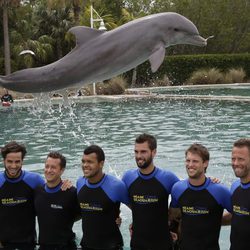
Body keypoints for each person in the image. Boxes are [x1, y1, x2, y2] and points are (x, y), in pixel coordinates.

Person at [122, 133, 179, 250]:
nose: (138, 156)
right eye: (136, 152)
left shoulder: (168, 178)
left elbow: (189, 194)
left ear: (154, 152)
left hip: (163, 244)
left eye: (143, 152)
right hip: (137, 244)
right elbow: (119, 198)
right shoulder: (128, 177)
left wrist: (175, 227)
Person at [170, 143, 231, 250]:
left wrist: (214, 220)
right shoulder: (178, 188)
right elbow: (174, 217)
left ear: (205, 163)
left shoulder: (220, 191)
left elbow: (239, 215)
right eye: (188, 160)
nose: (190, 164)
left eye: (195, 161)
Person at [77, 145, 129, 250]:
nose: (85, 165)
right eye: (83, 161)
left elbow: (138, 210)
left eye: (90, 162)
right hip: (86, 245)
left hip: (112, 246)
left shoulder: (116, 186)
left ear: (101, 164)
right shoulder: (80, 183)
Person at [0, 141, 44, 250]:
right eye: (9, 161)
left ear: (22, 161)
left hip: (28, 242)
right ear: (3, 161)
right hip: (3, 243)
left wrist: (65, 185)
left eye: (17, 161)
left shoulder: (35, 180)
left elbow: (52, 196)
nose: (13, 166)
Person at [34, 151, 80, 250]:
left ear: (62, 170)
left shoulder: (71, 192)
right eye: (47, 166)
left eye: (53, 167)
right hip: (43, 246)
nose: (49, 170)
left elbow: (86, 212)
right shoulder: (37, 191)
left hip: (66, 246)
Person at [229, 138, 250, 250]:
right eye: (233, 159)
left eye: (241, 159)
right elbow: (237, 214)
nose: (236, 163)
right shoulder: (235, 186)